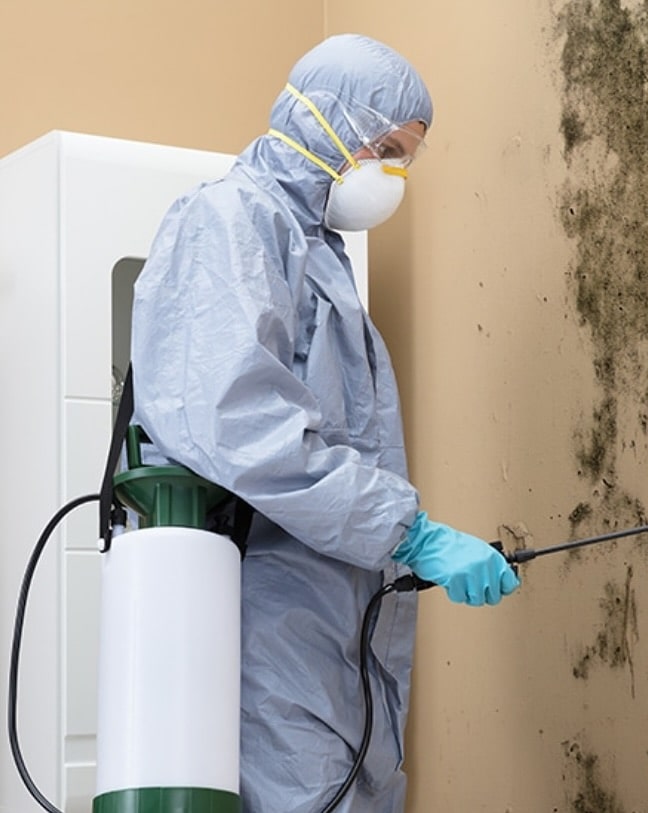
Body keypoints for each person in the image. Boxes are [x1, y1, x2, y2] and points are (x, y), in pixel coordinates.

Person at [129, 33, 520, 812]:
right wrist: (409, 532)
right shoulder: (231, 220)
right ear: (325, 120)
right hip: (268, 633)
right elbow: (235, 420)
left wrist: (398, 547)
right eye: (386, 149)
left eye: (405, 157)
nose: (393, 174)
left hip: (335, 635)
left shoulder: (320, 254)